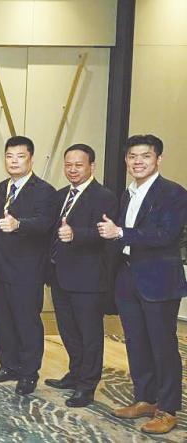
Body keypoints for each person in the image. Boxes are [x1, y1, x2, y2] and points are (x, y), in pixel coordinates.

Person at [99, 134, 185, 434]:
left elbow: (167, 235)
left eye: (145, 156)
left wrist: (121, 233)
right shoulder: (128, 193)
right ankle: (146, 399)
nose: (138, 161)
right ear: (126, 161)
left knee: (162, 345)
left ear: (158, 159)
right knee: (136, 343)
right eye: (133, 156)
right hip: (128, 277)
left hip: (158, 279)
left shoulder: (173, 193)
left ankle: (167, 408)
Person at [44, 144, 118, 408]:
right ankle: (75, 374)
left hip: (88, 278)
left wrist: (77, 234)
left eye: (79, 165)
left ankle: (87, 385)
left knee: (89, 334)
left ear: (92, 166)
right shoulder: (61, 195)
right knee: (68, 331)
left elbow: (107, 234)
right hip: (61, 275)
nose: (73, 169)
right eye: (68, 165)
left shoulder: (104, 196)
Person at [0, 136, 58, 396]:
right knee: (3, 321)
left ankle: (29, 373)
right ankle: (9, 365)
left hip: (26, 270)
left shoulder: (44, 190)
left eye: (20, 156)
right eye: (9, 156)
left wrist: (20, 224)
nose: (14, 161)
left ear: (31, 159)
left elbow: (45, 223)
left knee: (27, 323)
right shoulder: (2, 187)